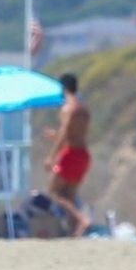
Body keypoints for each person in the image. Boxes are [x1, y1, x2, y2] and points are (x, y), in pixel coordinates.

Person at [42, 73, 93, 234]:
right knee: (69, 195)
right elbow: (76, 135)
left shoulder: (67, 108)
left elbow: (65, 133)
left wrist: (51, 156)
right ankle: (75, 231)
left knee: (53, 192)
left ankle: (81, 219)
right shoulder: (83, 110)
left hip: (70, 154)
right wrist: (55, 136)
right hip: (83, 154)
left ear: (63, 88)